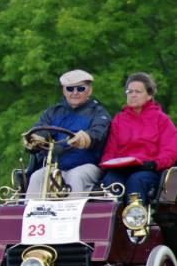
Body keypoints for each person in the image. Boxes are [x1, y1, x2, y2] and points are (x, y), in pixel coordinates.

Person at [23, 69, 111, 197]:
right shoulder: (53, 112)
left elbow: (98, 133)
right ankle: (30, 215)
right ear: (64, 91)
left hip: (87, 166)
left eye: (80, 89)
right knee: (38, 177)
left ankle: (73, 216)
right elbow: (41, 129)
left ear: (89, 90)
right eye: (70, 89)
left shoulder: (98, 113)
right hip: (56, 166)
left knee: (76, 177)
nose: (75, 93)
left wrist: (84, 139)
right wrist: (35, 139)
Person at [100, 72, 177, 204]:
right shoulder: (119, 119)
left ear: (149, 95)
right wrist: (107, 164)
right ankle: (110, 223)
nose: (133, 95)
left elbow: (170, 152)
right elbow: (110, 151)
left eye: (138, 91)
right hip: (122, 169)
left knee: (136, 181)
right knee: (110, 181)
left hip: (148, 169)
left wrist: (154, 164)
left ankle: (135, 222)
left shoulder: (161, 119)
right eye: (129, 91)